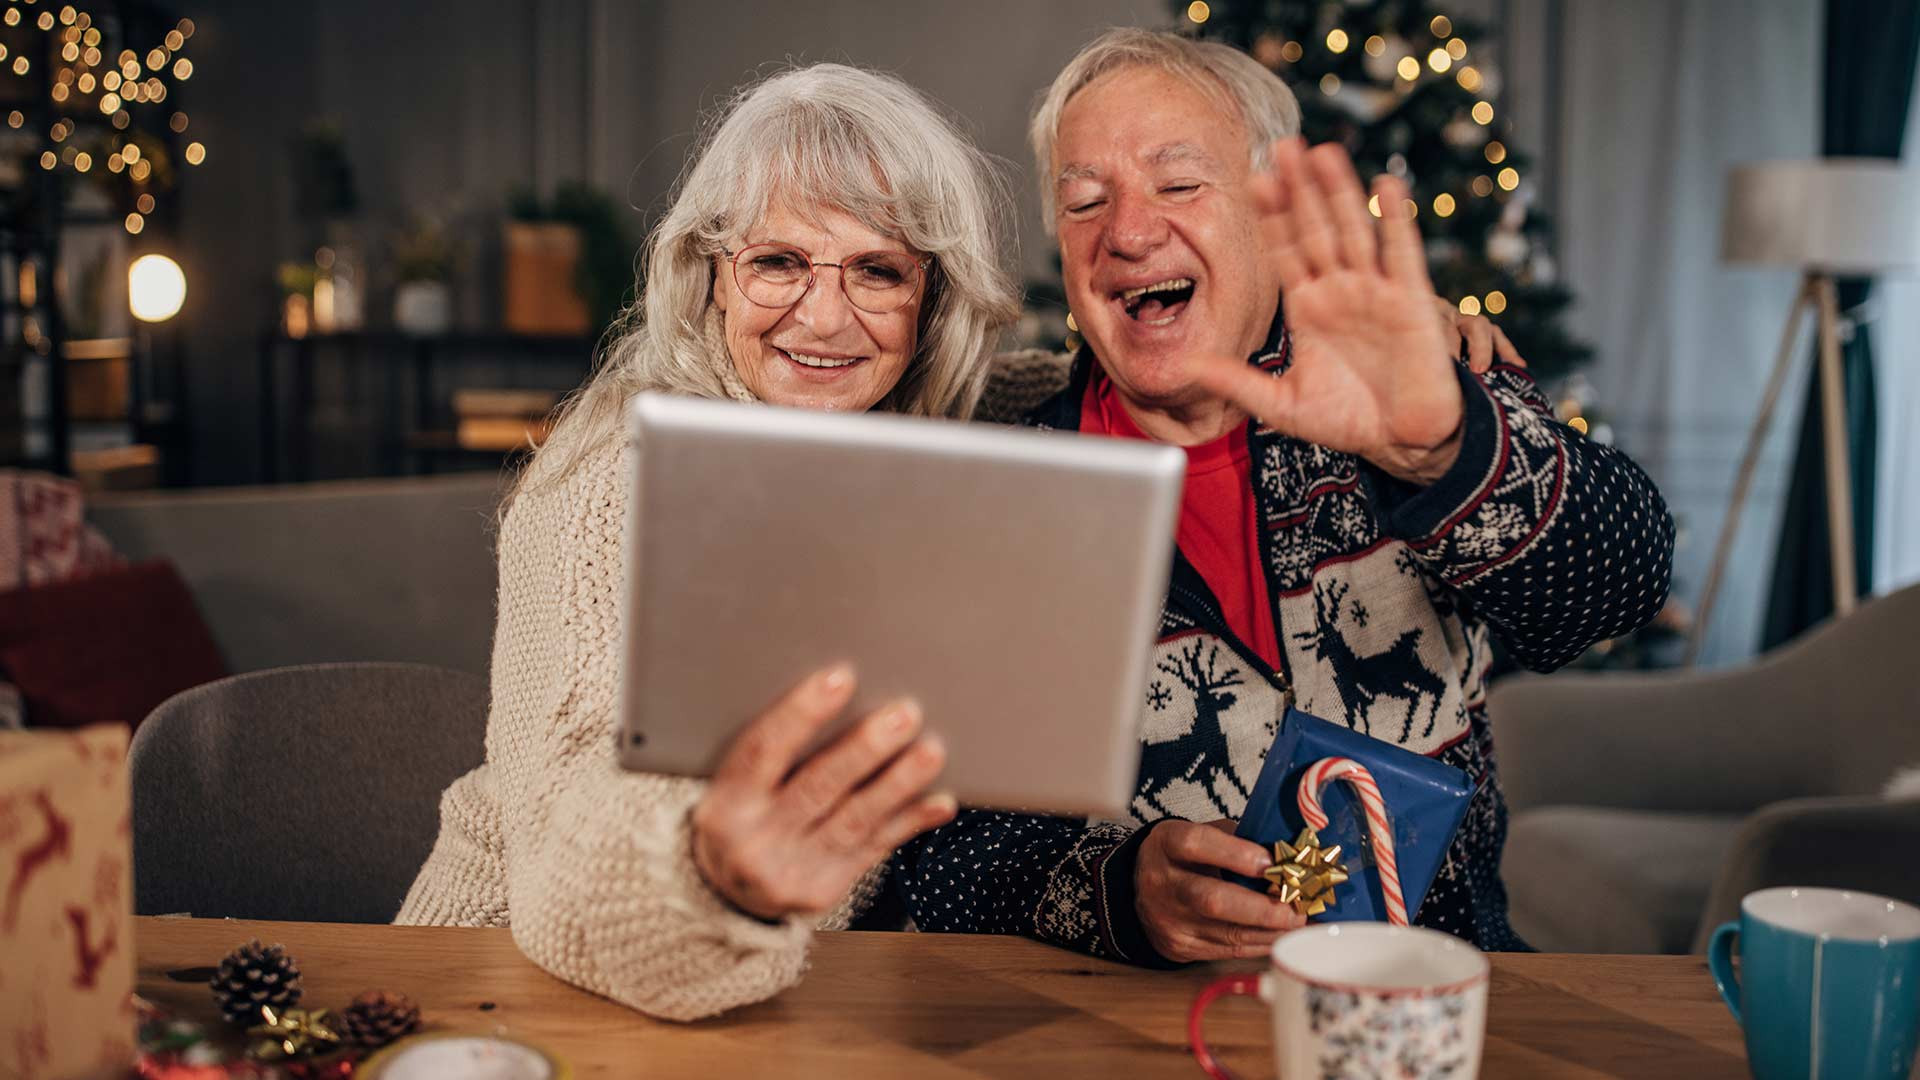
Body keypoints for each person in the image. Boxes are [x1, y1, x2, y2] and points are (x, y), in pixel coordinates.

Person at [890, 28, 1675, 963]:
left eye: (1180, 185)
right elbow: (936, 858)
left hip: (1434, 1001)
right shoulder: (1001, 495)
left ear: (1270, 215)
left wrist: (1446, 455)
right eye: (1084, 200)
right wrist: (1122, 889)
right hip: (1133, 1034)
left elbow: (1619, 588)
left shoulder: (1413, 394)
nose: (1129, 233)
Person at [396, 63, 1063, 1021]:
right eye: (779, 262)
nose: (824, 318)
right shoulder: (607, 484)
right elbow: (567, 819)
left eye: (877, 270)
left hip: (775, 1010)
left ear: (933, 305)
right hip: (511, 993)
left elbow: (1100, 388)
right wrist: (711, 863)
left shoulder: (919, 435)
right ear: (711, 274)